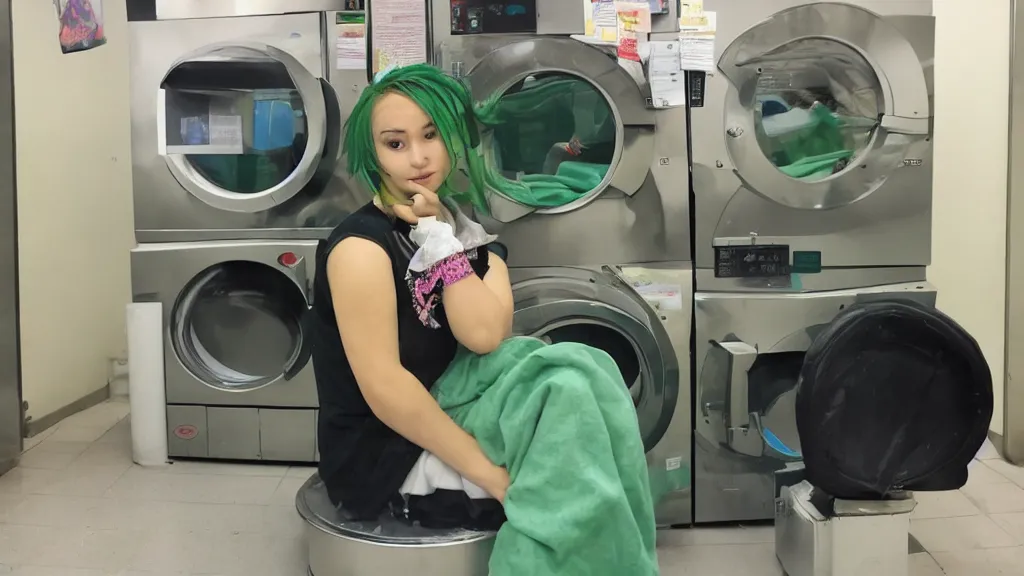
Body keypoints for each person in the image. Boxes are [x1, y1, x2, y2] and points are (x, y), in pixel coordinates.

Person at [307, 63, 513, 521]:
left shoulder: (473, 242)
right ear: (372, 152)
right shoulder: (361, 249)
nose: (418, 158)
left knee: (577, 380)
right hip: (383, 456)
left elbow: (484, 336)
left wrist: (442, 239)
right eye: (395, 143)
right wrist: (491, 474)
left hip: (455, 424)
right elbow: (386, 389)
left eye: (431, 135)